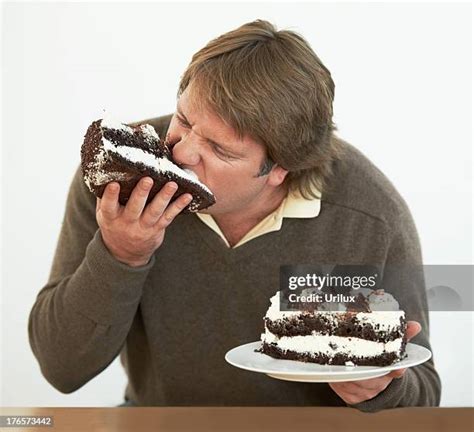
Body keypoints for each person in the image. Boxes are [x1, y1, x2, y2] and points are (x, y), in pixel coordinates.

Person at [28, 20, 441, 410]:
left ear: (281, 170)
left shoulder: (369, 216)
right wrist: (120, 255)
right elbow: (61, 369)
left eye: (220, 150)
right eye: (184, 120)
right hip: (159, 419)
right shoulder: (118, 179)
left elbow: (425, 388)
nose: (184, 152)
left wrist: (383, 387)